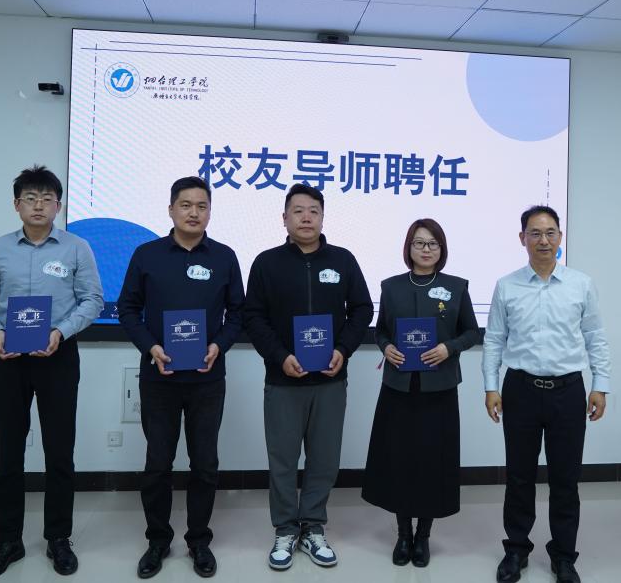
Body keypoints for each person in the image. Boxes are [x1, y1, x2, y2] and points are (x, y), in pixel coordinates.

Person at [0, 165, 103, 580]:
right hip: (9, 360)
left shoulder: (77, 248)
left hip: (58, 356)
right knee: (8, 453)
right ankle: (8, 541)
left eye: (47, 198)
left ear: (58, 205)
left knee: (59, 452)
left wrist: (61, 331)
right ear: (17, 205)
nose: (39, 205)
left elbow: (93, 300)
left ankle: (58, 538)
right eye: (30, 198)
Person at [117, 176, 244, 579]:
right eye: (186, 205)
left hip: (208, 378)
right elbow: (127, 309)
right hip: (160, 377)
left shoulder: (224, 257)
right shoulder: (147, 255)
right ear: (171, 209)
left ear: (210, 212)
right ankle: (157, 539)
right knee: (158, 463)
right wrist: (150, 347)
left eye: (202, 206)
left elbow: (238, 313)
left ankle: (198, 540)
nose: (194, 212)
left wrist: (219, 345)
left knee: (205, 463)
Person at [244, 183, 373, 570]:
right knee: (283, 460)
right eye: (298, 211)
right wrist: (280, 356)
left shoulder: (343, 260)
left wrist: (343, 349)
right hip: (284, 380)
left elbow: (362, 309)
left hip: (330, 381)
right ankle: (285, 528)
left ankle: (313, 526)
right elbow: (253, 317)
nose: (306, 217)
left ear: (322, 217)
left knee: (324, 459)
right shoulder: (267, 263)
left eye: (313, 210)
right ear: (284, 218)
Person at [482, 205, 611, 583]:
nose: (543, 240)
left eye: (550, 232)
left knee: (565, 479)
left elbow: (596, 337)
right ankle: (516, 550)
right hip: (520, 390)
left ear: (560, 237)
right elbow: (494, 339)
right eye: (535, 233)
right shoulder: (507, 285)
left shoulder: (580, 284)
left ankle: (564, 556)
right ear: (522, 238)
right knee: (519, 477)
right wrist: (490, 386)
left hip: (568, 392)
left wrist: (600, 385)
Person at [362, 218, 480, 567]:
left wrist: (449, 348)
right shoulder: (391, 287)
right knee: (399, 460)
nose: (426, 249)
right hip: (399, 387)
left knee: (432, 462)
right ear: (408, 247)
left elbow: (472, 332)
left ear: (441, 249)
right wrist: (386, 348)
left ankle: (424, 535)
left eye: (432, 243)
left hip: (439, 388)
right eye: (419, 243)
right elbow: (381, 331)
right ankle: (403, 534)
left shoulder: (456, 287)